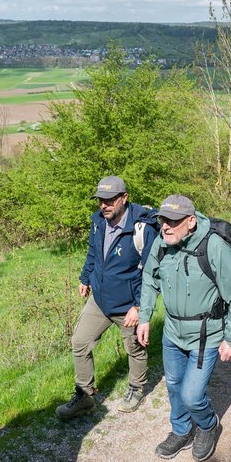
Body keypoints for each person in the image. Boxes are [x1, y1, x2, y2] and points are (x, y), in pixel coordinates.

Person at [136, 195, 231, 462]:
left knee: (191, 394)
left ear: (191, 222)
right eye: (163, 220)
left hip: (205, 335)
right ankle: (181, 430)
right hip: (173, 332)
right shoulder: (161, 243)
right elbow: (149, 279)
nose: (165, 226)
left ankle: (209, 425)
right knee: (174, 386)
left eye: (173, 221)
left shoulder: (213, 246)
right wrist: (144, 317)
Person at [57, 176, 159, 420]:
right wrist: (85, 278)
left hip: (128, 305)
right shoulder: (98, 222)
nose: (104, 205)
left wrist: (139, 306)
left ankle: (136, 388)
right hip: (100, 300)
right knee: (80, 342)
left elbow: (151, 271)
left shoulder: (142, 229)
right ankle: (84, 397)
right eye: (101, 200)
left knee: (135, 349)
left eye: (110, 200)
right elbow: (93, 252)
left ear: (124, 198)